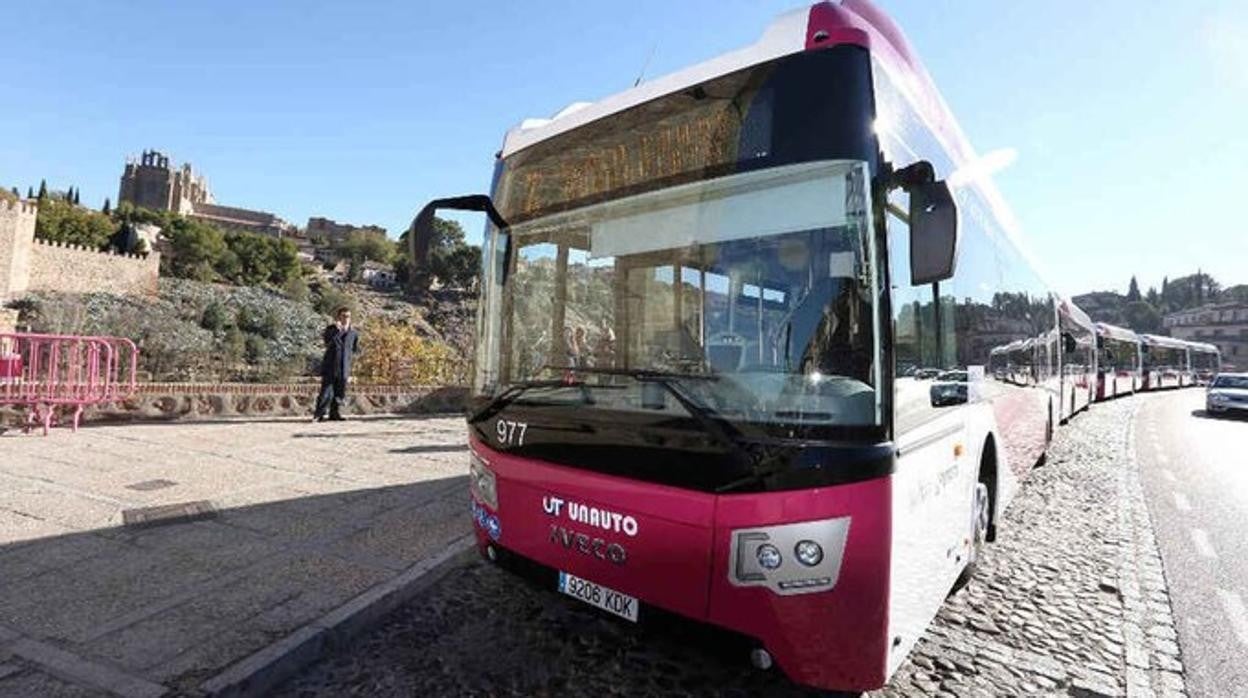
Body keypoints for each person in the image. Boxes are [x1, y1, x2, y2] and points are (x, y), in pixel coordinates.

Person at [314, 307, 361, 422]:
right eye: (343, 316)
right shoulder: (331, 329)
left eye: (348, 316)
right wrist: (338, 331)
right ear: (338, 317)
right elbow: (327, 341)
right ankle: (319, 414)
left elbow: (354, 349)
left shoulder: (353, 333)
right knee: (326, 391)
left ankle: (335, 414)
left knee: (340, 392)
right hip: (330, 366)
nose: (346, 319)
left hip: (344, 366)